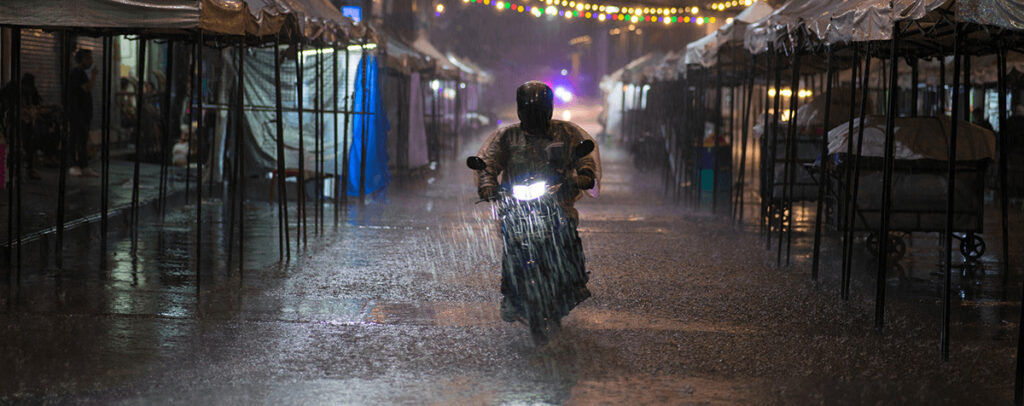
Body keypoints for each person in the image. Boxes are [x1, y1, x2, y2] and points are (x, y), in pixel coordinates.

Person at [473, 81, 601, 322]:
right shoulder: (507, 136)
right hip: (516, 203)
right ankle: (510, 293)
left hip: (557, 200)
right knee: (511, 241)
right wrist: (488, 183)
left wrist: (584, 175)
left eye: (539, 111)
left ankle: (575, 282)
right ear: (520, 110)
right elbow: (488, 162)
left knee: (568, 234)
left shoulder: (567, 133)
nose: (535, 116)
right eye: (530, 111)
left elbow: (583, 159)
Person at [0, 73, 43, 179]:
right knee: (17, 145)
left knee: (25, 144)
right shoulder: (15, 89)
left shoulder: (26, 90)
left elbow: (35, 104)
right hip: (14, 120)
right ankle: (17, 170)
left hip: (20, 120)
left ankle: (22, 169)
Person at [67, 49, 98, 177]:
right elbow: (87, 88)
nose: (91, 61)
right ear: (82, 59)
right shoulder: (77, 73)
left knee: (82, 140)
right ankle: (73, 165)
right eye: (89, 59)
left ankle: (83, 165)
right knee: (76, 138)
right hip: (77, 113)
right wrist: (94, 76)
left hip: (83, 113)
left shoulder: (81, 73)